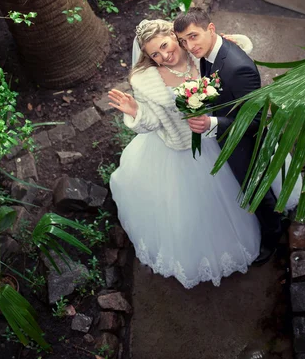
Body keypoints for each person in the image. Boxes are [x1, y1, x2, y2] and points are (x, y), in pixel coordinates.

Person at [108, 18, 261, 289]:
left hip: (216, 135)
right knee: (193, 209)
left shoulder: (194, 49)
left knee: (236, 189)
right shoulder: (145, 80)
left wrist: (228, 41)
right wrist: (136, 112)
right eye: (155, 54)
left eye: (166, 46)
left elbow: (234, 50)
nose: (164, 56)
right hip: (180, 150)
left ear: (174, 37)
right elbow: (153, 122)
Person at [173, 9, 284, 265]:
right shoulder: (208, 52)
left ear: (210, 29)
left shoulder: (239, 68)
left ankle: (274, 239)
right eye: (184, 41)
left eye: (193, 36)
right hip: (226, 130)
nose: (189, 46)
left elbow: (255, 119)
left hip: (245, 141)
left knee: (255, 189)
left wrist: (211, 123)